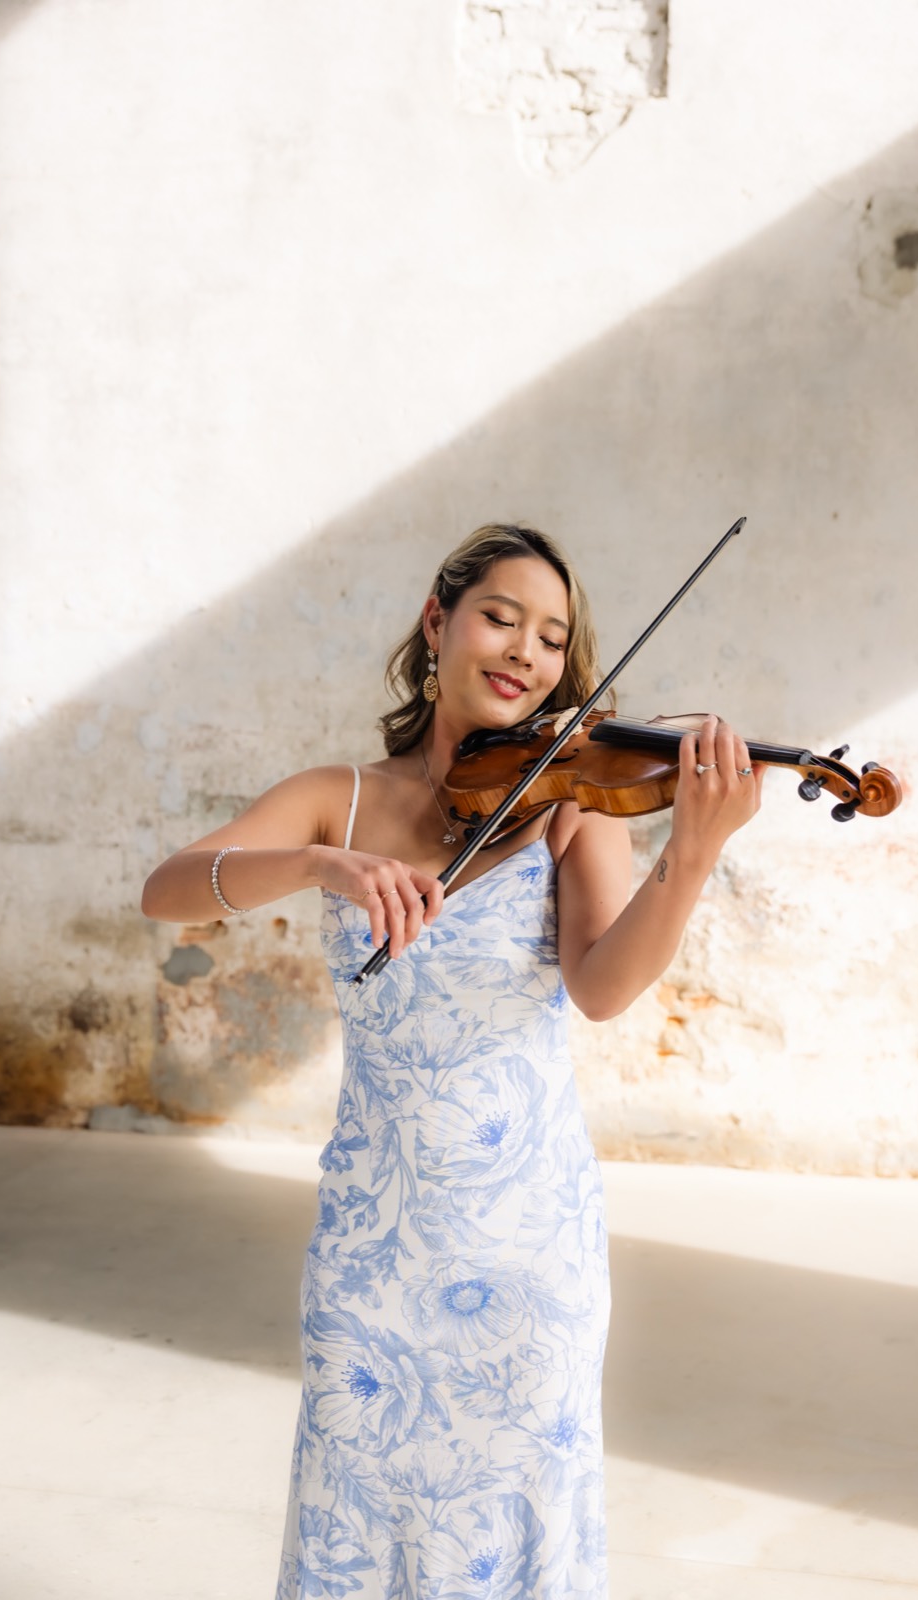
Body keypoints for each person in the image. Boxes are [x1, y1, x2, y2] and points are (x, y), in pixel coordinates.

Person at [141, 523, 764, 1600]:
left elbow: (604, 986)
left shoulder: (569, 804)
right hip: (372, 1252)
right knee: (356, 1513)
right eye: (501, 615)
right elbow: (168, 889)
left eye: (554, 636)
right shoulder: (336, 797)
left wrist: (695, 853)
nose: (526, 649)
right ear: (438, 623)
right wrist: (318, 864)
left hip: (531, 1252)